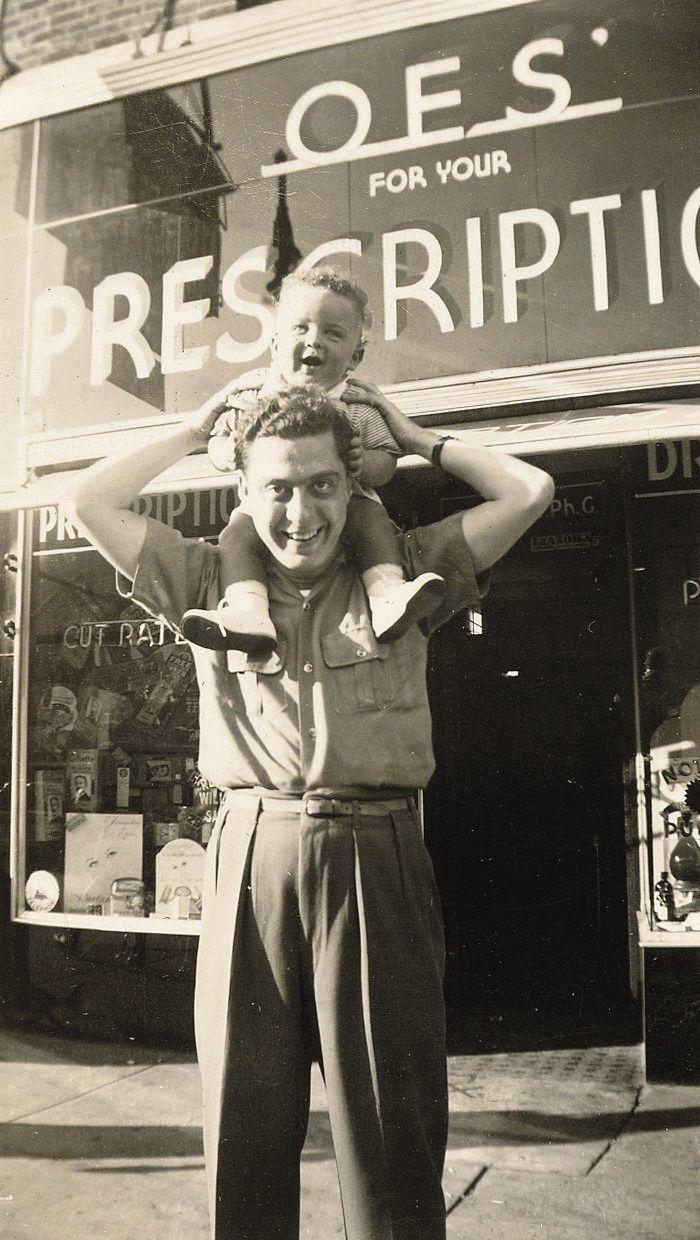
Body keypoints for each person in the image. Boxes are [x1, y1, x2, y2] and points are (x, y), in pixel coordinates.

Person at [68, 378, 554, 1240]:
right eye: (278, 488)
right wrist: (193, 429)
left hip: (378, 852)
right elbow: (88, 497)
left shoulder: (406, 568)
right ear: (246, 494)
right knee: (244, 1118)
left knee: (392, 1128)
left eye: (321, 485)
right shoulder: (208, 574)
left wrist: (415, 435)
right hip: (251, 852)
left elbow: (529, 490)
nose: (301, 511)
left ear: (352, 485)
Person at [181, 267, 444, 655]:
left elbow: (387, 462)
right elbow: (218, 445)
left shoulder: (358, 403)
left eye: (332, 333)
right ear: (274, 344)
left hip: (347, 503)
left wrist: (362, 462)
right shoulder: (251, 395)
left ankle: (387, 595)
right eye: (299, 329)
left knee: (373, 522)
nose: (314, 341)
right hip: (268, 510)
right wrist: (231, 452)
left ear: (356, 356)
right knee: (236, 536)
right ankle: (247, 609)